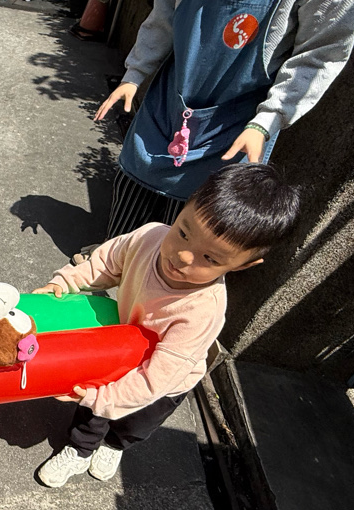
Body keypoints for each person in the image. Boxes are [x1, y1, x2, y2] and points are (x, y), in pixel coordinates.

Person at [83, 0, 354, 251]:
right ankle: (110, 268)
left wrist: (268, 121)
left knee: (188, 248)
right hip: (168, 104)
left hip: (237, 130)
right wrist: (135, 72)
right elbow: (167, 5)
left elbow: (322, 52)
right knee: (126, 221)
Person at [35, 163, 300, 486]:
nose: (183, 256)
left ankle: (115, 445)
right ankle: (79, 450)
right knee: (91, 411)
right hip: (120, 347)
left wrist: (99, 398)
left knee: (134, 421)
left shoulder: (202, 311)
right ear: (184, 207)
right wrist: (66, 282)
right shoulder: (150, 237)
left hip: (165, 380)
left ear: (244, 265)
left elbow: (155, 380)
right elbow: (106, 263)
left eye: (210, 258)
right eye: (184, 232)